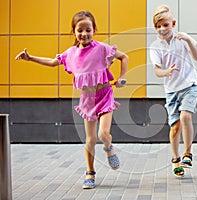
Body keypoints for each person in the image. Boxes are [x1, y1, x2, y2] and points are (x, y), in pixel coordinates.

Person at [15, 11, 128, 189]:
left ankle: (109, 148)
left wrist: (121, 77)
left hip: (105, 94)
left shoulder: (102, 49)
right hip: (87, 99)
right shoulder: (71, 53)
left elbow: (124, 57)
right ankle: (90, 173)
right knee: (90, 140)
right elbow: (53, 62)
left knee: (102, 134)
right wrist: (30, 58)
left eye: (88, 30)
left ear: (94, 30)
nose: (84, 34)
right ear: (74, 32)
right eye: (80, 30)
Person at [150, 5, 197, 178]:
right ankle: (175, 159)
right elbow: (157, 71)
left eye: (165, 24)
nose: (162, 29)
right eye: (158, 26)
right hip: (171, 90)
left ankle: (188, 154)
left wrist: (187, 39)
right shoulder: (155, 47)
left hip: (189, 85)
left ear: (173, 23)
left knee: (186, 116)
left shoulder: (182, 39)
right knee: (175, 127)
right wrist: (166, 72)